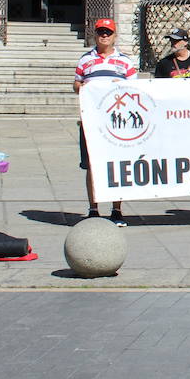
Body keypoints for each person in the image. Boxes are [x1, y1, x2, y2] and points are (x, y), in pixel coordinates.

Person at [74, 18, 138, 226]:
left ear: (114, 36)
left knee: (117, 165)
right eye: (101, 32)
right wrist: (84, 87)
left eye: (108, 32)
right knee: (91, 165)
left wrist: (120, 86)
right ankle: (93, 208)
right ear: (95, 34)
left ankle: (116, 208)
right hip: (92, 121)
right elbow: (76, 84)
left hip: (116, 121)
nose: (104, 35)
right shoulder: (85, 60)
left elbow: (135, 88)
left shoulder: (124, 61)